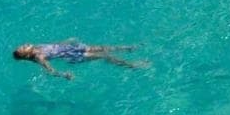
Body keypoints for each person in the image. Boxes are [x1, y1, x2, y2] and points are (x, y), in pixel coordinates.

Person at [12, 40, 146, 79]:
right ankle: (132, 65)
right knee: (104, 56)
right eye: (23, 48)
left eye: (22, 45)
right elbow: (50, 70)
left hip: (70, 48)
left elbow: (54, 45)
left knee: (103, 47)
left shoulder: (37, 47)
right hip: (72, 56)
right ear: (26, 55)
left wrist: (66, 41)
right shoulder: (38, 56)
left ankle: (129, 48)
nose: (24, 44)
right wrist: (64, 75)